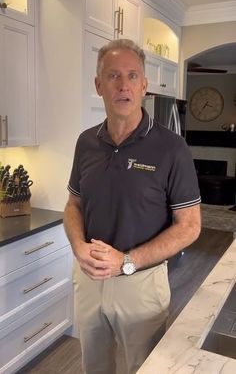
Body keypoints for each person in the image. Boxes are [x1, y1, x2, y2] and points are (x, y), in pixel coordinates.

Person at [63, 38, 201, 374]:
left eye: (132, 76)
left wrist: (126, 261)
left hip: (140, 282)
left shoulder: (172, 148)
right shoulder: (86, 142)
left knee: (148, 368)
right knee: (94, 366)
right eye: (113, 76)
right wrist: (79, 246)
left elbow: (190, 225)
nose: (123, 85)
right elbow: (73, 205)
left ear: (144, 86)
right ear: (99, 86)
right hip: (89, 278)